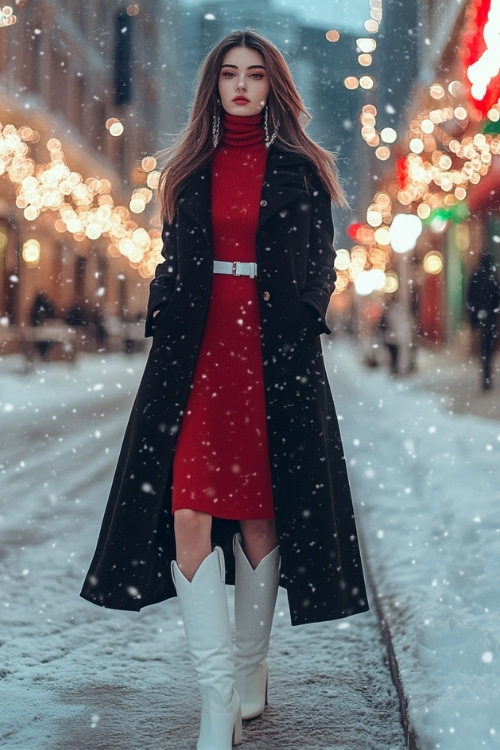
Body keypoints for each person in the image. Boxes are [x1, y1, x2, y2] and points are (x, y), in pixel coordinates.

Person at [80, 29, 368, 749]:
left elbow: (319, 268)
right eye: (231, 75)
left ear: (274, 88)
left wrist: (303, 317)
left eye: (256, 76)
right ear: (214, 87)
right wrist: (166, 306)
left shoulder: (301, 170)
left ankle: (250, 668)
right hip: (196, 353)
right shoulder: (189, 171)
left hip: (273, 357)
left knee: (263, 514)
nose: (242, 86)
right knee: (188, 507)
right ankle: (216, 701)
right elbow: (173, 260)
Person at [466, 252, 500, 391]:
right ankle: (487, 376)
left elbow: (470, 299)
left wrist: (473, 319)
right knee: (488, 349)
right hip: (490, 319)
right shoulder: (492, 278)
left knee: (484, 349)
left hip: (482, 319)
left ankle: (485, 376)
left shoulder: (476, 276)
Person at [29, 291, 57, 360]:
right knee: (44, 343)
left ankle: (42, 354)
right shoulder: (45, 305)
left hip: (41, 329)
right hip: (43, 329)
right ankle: (43, 355)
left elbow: (32, 315)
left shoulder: (38, 305)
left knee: (42, 343)